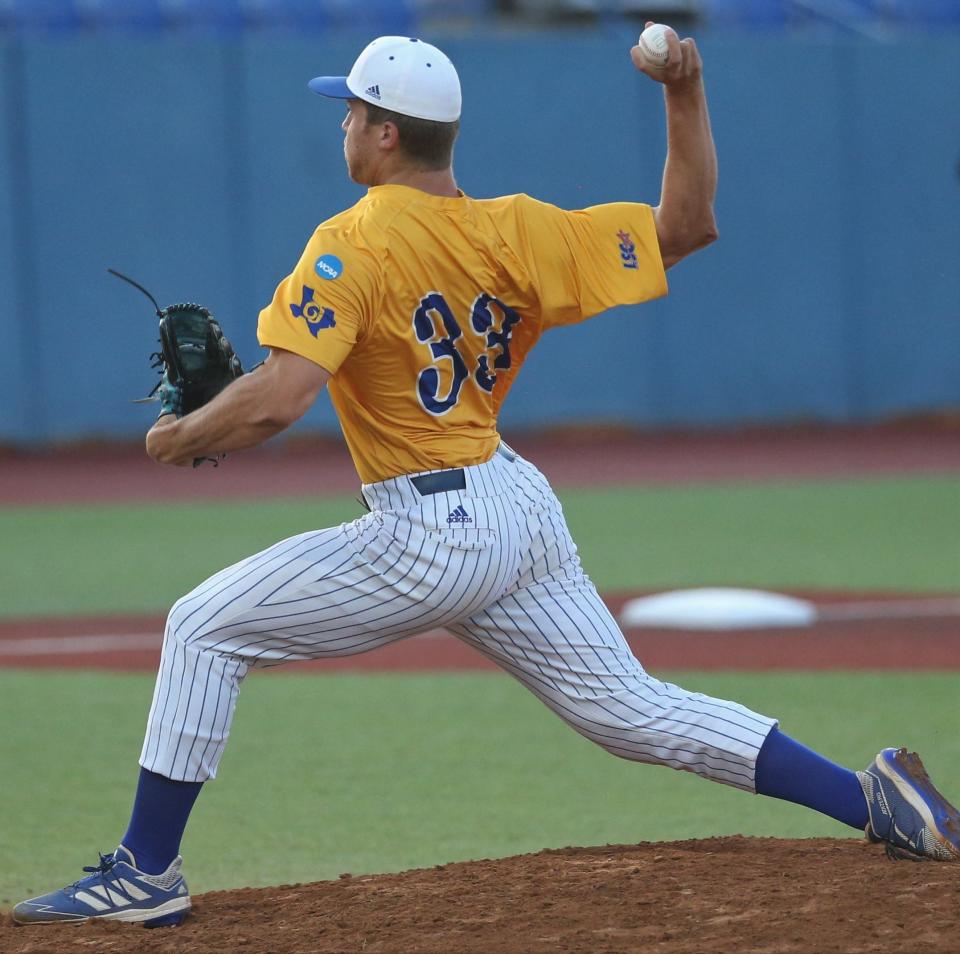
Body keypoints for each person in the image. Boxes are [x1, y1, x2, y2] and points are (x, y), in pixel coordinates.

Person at [14, 30, 958, 928]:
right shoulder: (520, 230)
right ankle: (868, 797)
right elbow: (688, 224)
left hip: (426, 534)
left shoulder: (352, 240)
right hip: (515, 506)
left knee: (201, 627)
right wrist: (684, 89)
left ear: (386, 132)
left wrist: (178, 439)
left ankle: (144, 872)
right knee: (629, 710)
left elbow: (278, 398)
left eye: (349, 112)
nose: (340, 124)